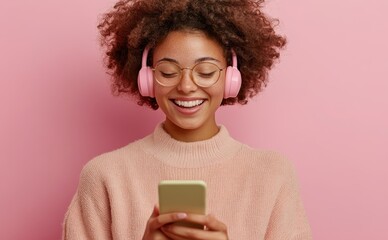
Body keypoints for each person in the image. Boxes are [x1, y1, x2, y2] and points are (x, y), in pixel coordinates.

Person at [62, 0, 312, 239]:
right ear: (147, 78)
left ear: (232, 78)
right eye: (168, 72)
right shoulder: (105, 177)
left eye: (206, 72)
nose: (186, 86)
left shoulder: (273, 176)